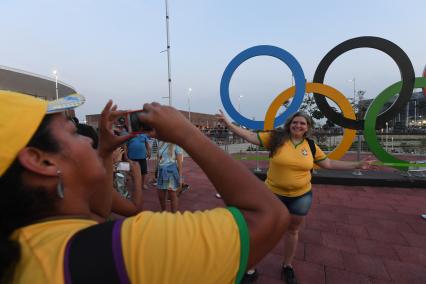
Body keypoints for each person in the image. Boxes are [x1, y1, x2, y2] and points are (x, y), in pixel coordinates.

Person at [0, 91, 290, 284]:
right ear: (42, 161)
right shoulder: (129, 247)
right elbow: (268, 217)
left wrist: (102, 154)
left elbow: (98, 214)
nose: (89, 140)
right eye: (74, 133)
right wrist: (186, 133)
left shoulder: (23, 249)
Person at [217, 110, 374, 284]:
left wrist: (357, 164)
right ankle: (251, 268)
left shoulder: (311, 146)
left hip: (300, 197)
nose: (298, 126)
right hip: (272, 195)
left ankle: (287, 266)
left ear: (307, 127)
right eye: (295, 122)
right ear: (290, 124)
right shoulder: (277, 139)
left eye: (302, 123)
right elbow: (250, 136)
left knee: (292, 230)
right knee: (262, 229)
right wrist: (229, 124)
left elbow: (328, 163)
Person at [156, 141, 183, 212]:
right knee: (161, 195)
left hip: (171, 172)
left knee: (172, 195)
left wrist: (180, 177)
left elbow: (180, 162)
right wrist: (155, 172)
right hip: (161, 171)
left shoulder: (176, 143)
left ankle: (174, 215)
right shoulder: (160, 142)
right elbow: (158, 159)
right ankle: (163, 212)